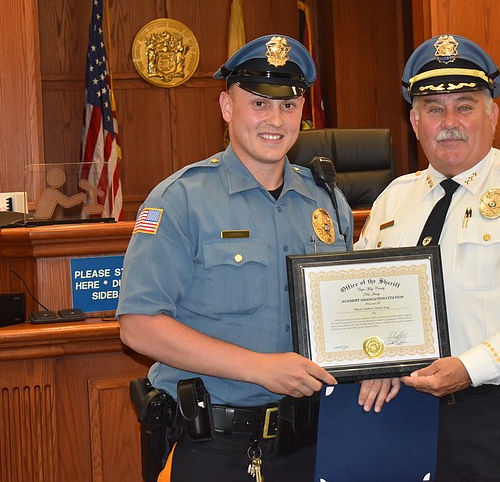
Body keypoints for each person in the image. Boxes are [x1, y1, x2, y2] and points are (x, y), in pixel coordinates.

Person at [117, 34, 353, 481]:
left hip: (313, 442)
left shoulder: (327, 200)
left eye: (288, 105)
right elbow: (138, 325)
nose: (275, 120)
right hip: (217, 447)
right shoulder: (179, 199)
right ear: (226, 107)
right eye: (259, 103)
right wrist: (260, 368)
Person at [356, 34, 500, 481]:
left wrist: (472, 367)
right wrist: (370, 360)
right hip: (408, 415)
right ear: (415, 121)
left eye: (465, 106)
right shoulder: (393, 199)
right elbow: (363, 299)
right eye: (435, 109)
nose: (450, 122)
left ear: (492, 115)